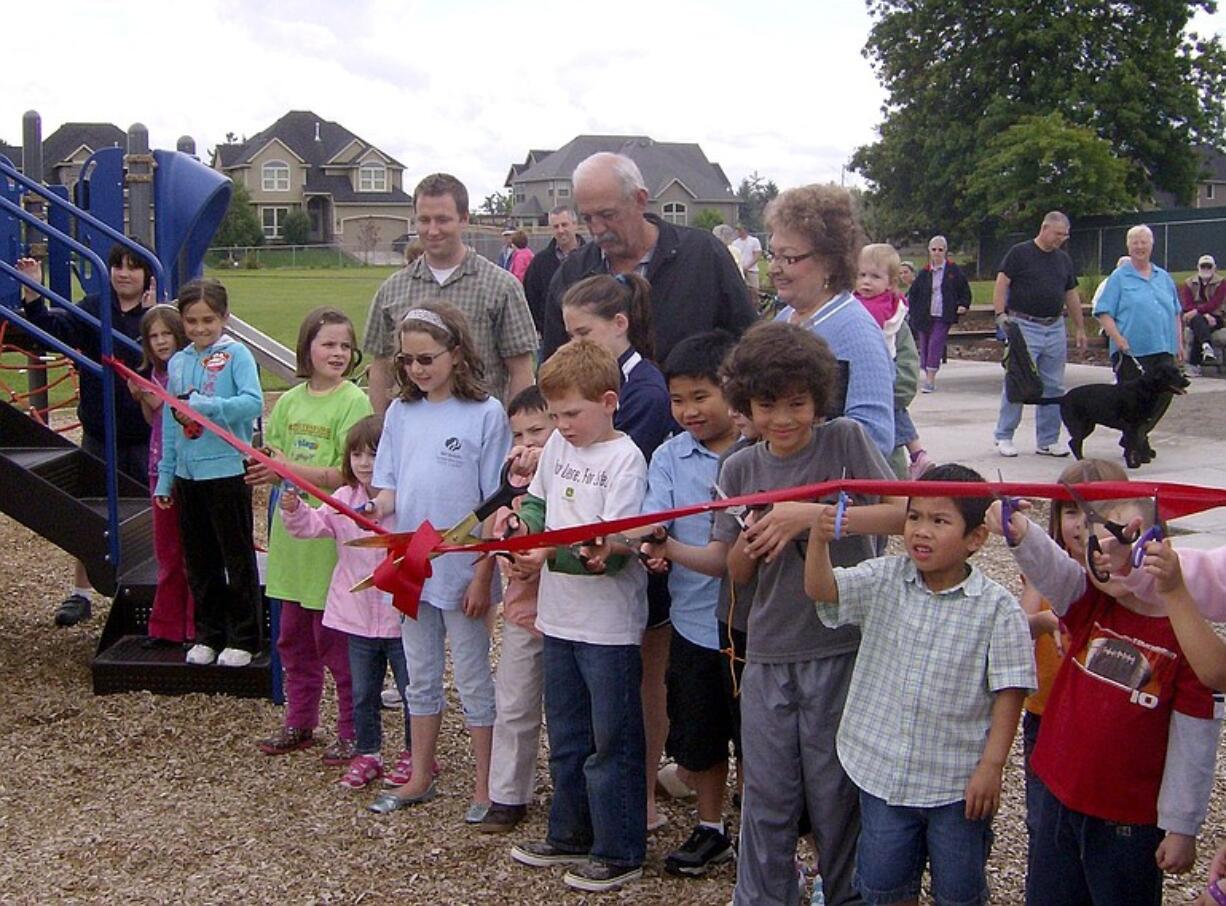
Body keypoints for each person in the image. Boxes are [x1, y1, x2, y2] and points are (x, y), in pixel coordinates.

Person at [698, 321, 904, 905]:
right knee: (766, 794)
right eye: (766, 406)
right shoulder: (738, 468)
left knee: (835, 792)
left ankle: (844, 895)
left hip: (841, 645)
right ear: (745, 406)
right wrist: (754, 537)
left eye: (797, 404)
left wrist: (811, 516)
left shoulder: (844, 441)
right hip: (766, 650)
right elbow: (735, 573)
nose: (783, 419)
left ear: (819, 398)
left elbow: (904, 514)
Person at [805, 464, 1035, 906]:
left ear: (976, 538)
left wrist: (992, 766)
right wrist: (819, 540)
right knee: (883, 883)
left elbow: (1012, 688)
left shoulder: (997, 609)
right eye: (914, 517)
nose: (921, 531)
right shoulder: (885, 578)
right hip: (883, 770)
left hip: (956, 782)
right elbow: (824, 590)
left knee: (959, 889)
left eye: (939, 520)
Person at [990, 479, 1220, 905]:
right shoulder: (1093, 604)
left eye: (1120, 544)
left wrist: (1183, 825)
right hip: (1058, 796)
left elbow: (1195, 741)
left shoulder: (1187, 637)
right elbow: (1057, 574)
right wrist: (1020, 533)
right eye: (1094, 549)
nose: (1104, 559)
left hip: (1127, 821)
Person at [508, 339, 650, 894]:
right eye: (555, 415)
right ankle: (568, 833)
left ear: (609, 401)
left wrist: (549, 553)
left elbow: (613, 552)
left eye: (572, 414)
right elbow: (539, 501)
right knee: (565, 734)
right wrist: (526, 534)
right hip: (559, 619)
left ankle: (620, 849)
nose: (562, 426)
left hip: (609, 628)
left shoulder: (625, 459)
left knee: (610, 740)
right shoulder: (561, 451)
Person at [366, 303, 509, 823]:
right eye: (407, 360)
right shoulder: (401, 414)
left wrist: (483, 572)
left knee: (472, 675)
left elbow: (495, 503)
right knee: (419, 675)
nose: (417, 369)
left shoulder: (487, 414)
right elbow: (389, 486)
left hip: (461, 569)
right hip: (411, 566)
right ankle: (420, 773)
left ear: (455, 353)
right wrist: (373, 505)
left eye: (427, 358)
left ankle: (485, 783)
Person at [558, 272, 675, 834]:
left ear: (619, 325)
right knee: (597, 704)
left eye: (583, 333)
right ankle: (605, 811)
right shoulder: (588, 396)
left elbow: (629, 489)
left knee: (636, 686)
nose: (572, 345)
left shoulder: (644, 393)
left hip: (627, 555)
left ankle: (638, 802)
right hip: (580, 572)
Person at [637, 331, 741, 877]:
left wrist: (667, 548)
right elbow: (654, 516)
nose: (688, 411)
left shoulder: (755, 455)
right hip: (693, 624)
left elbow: (728, 557)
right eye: (678, 400)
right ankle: (710, 827)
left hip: (749, 631)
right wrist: (653, 544)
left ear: (732, 389)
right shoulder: (670, 454)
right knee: (698, 735)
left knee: (751, 735)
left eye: (701, 396)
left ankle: (757, 830)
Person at [250, 307, 372, 763]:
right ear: (307, 349)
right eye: (328, 344)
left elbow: (344, 472)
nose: (338, 353)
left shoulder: (352, 402)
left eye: (345, 345)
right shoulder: (288, 401)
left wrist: (284, 469)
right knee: (293, 640)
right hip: (290, 536)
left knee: (336, 645)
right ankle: (299, 720)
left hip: (329, 540)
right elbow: (274, 451)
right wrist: (266, 466)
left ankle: (351, 729)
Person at [16, 243, 157, 626]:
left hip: (147, 435)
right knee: (94, 514)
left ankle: (156, 588)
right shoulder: (95, 309)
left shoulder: (157, 318)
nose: (124, 274)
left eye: (133, 267)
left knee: (154, 511)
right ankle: (81, 593)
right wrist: (33, 294)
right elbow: (49, 332)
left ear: (147, 275)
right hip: (101, 430)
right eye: (117, 266)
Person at [280, 415, 416, 790]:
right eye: (356, 454)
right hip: (355, 617)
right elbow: (314, 527)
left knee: (412, 691)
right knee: (363, 692)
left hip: (400, 615)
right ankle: (368, 752)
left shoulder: (407, 500)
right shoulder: (343, 499)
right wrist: (294, 509)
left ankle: (415, 754)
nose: (364, 463)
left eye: (374, 454)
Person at [540, 152, 755, 363]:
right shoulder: (572, 275)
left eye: (608, 215)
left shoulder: (703, 256)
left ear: (640, 200)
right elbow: (554, 369)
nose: (597, 229)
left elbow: (747, 344)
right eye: (587, 218)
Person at [154, 278, 263, 666]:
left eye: (208, 320)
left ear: (224, 318)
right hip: (188, 477)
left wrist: (208, 406)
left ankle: (245, 637)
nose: (200, 329)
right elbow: (171, 421)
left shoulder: (238, 356)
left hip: (226, 472)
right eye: (192, 321)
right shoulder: (179, 361)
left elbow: (253, 403)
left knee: (235, 558)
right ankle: (208, 633)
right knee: (199, 561)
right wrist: (166, 476)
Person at [362, 173, 537, 411]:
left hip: (481, 436)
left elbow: (521, 370)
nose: (432, 230)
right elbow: (381, 368)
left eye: (442, 220)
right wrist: (383, 431)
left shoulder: (501, 287)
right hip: (413, 434)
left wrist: (514, 434)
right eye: (424, 220)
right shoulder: (392, 290)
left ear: (464, 219)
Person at [766, 184, 896, 459]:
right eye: (772, 255)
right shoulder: (782, 322)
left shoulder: (857, 333)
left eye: (788, 257)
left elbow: (874, 440)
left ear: (829, 261)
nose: (774, 268)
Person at [478, 386, 554, 834]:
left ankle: (572, 790)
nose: (527, 442)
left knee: (567, 712)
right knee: (515, 703)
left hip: (567, 614)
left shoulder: (568, 471)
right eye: (518, 433)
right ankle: (507, 794)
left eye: (537, 431)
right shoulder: (512, 485)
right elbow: (491, 535)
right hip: (524, 612)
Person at [992, 211, 1087, 458]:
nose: (1061, 240)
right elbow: (1002, 282)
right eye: (1058, 234)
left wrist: (1079, 326)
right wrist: (1001, 315)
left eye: (1064, 235)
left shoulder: (1063, 260)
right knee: (1018, 380)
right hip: (1024, 325)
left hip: (1054, 326)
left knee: (1053, 384)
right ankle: (1004, 435)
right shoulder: (1019, 253)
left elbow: (1071, 294)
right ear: (1044, 228)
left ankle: (1047, 439)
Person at [128, 305, 194, 647]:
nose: (160, 342)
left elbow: (179, 414)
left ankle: (195, 626)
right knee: (167, 552)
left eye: (166, 334)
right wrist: (142, 396)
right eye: (153, 337)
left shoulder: (188, 372)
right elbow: (151, 420)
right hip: (159, 468)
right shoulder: (152, 375)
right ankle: (166, 625)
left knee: (192, 550)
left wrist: (154, 399)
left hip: (189, 470)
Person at [1093, 224, 1183, 463]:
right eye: (1135, 243)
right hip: (1132, 351)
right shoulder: (1119, 278)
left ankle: (1138, 436)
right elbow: (1103, 312)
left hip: (1163, 348)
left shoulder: (1163, 277)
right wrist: (1118, 338)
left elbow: (1175, 312)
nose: (1140, 247)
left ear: (1152, 245)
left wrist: (1179, 344)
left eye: (1144, 242)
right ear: (1128, 247)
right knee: (1134, 403)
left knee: (1164, 396)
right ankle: (1135, 446)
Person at [854, 243, 932, 479]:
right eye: (861, 275)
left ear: (890, 282)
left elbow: (907, 376)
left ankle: (917, 455)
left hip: (887, 430)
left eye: (875, 276)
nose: (866, 281)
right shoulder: (846, 310)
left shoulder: (895, 321)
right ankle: (917, 452)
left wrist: (881, 394)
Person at [905, 235, 972, 393]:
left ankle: (930, 380)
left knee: (936, 343)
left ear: (945, 251)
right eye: (934, 249)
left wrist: (963, 304)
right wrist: (913, 311)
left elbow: (964, 290)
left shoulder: (953, 271)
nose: (937, 253)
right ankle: (927, 372)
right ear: (929, 251)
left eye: (940, 250)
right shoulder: (924, 273)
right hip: (925, 315)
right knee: (925, 345)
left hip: (943, 314)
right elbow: (913, 294)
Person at [522, 206, 585, 334]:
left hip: (589, 335)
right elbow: (530, 299)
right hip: (552, 338)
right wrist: (543, 327)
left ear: (575, 225)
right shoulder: (540, 262)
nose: (560, 230)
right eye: (556, 227)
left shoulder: (593, 258)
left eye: (564, 225)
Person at [1181, 254, 1226, 372]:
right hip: (1196, 317)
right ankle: (1206, 347)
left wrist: (1198, 312)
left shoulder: (1221, 283)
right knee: (1198, 321)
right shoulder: (1189, 283)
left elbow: (1215, 304)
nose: (1206, 269)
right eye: (1203, 266)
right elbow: (1187, 305)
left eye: (1208, 266)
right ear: (1198, 267)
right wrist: (1203, 314)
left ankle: (1194, 364)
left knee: (1198, 324)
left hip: (1216, 317)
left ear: (1214, 268)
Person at [732, 225, 763, 292]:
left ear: (745, 230)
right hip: (740, 270)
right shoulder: (735, 243)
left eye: (740, 230)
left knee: (754, 290)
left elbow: (757, 254)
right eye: (737, 230)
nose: (738, 232)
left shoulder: (754, 241)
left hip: (752, 270)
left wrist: (748, 266)